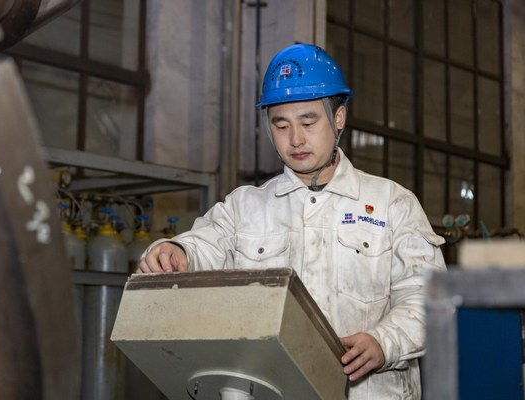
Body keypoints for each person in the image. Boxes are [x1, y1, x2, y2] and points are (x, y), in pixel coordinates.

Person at [137, 43, 446, 399]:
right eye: (281, 125)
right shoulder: (245, 207)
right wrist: (176, 251)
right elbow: (202, 245)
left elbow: (430, 297)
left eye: (308, 122)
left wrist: (383, 342)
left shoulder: (392, 204)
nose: (295, 139)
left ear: (339, 117)